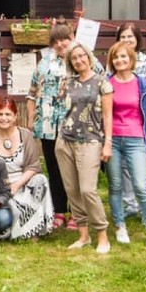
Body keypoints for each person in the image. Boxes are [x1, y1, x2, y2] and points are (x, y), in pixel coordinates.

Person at [26, 20, 102, 231]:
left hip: (77, 127)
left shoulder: (84, 59)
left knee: (77, 170)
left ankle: (78, 214)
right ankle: (59, 210)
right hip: (48, 127)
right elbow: (31, 94)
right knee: (55, 169)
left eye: (65, 39)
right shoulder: (43, 63)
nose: (60, 44)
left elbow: (102, 88)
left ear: (73, 38)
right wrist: (32, 120)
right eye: (56, 41)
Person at [55, 42, 113, 254]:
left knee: (88, 189)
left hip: (90, 141)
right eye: (74, 58)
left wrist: (107, 143)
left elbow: (107, 116)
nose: (78, 60)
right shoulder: (67, 83)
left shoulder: (102, 83)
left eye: (81, 56)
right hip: (65, 141)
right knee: (72, 191)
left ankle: (102, 235)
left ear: (89, 57)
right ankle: (83, 236)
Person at [106, 41, 146, 249]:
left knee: (140, 185)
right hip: (113, 139)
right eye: (116, 57)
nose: (120, 60)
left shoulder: (142, 84)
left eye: (124, 57)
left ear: (131, 60)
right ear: (111, 61)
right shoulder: (107, 83)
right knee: (116, 186)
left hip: (135, 139)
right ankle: (120, 226)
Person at [0, 94, 54, 240]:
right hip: (2, 187)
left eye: (8, 114)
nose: (4, 118)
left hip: (23, 182)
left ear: (15, 116)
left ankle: (34, 229)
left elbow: (34, 166)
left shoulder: (26, 135)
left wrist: (17, 185)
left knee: (41, 180)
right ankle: (17, 230)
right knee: (6, 214)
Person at [114, 22, 146, 217]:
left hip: (141, 122)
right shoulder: (115, 61)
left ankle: (143, 206)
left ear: (137, 40)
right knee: (122, 166)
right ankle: (130, 205)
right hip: (119, 122)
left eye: (130, 37)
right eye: (123, 37)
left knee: (139, 166)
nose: (126, 41)